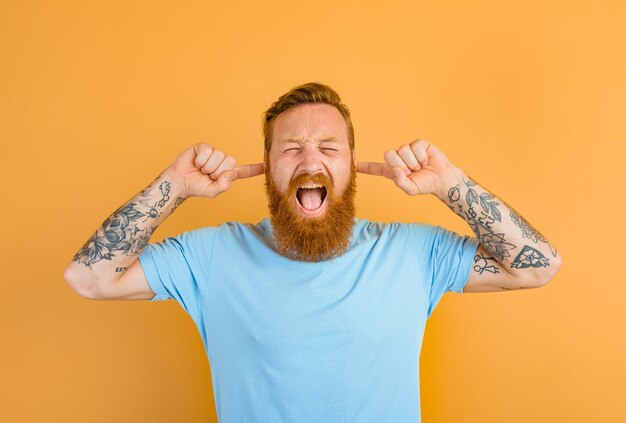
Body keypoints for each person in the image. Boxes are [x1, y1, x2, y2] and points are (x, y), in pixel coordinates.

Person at [64, 82, 562, 422]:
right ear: (266, 167)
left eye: (329, 147)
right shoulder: (211, 256)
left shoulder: (414, 252)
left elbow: (536, 266)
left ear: (351, 164)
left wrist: (449, 183)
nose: (310, 160)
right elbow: (91, 278)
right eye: (290, 148)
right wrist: (173, 184)